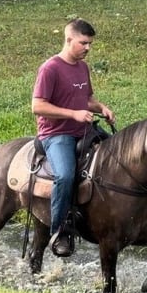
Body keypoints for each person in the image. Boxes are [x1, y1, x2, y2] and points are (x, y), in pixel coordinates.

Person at [31, 18, 115, 257]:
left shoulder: (82, 67)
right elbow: (37, 106)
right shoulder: (50, 68)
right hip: (56, 134)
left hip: (84, 131)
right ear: (69, 40)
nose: (88, 48)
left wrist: (102, 108)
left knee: (117, 159)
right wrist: (73, 114)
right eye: (83, 43)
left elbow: (87, 100)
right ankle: (60, 232)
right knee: (65, 175)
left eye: (90, 44)